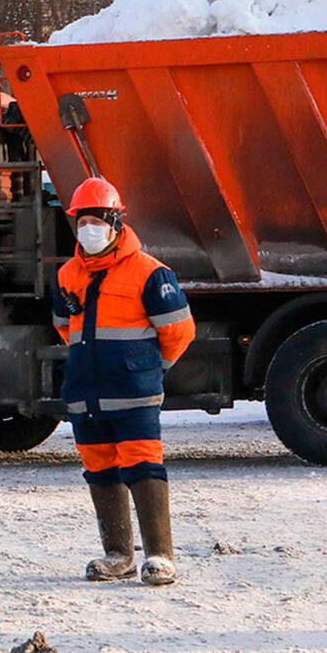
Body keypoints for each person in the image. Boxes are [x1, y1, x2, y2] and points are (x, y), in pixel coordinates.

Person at [53, 177, 195, 586]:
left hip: (134, 396)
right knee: (100, 470)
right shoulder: (66, 275)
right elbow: (64, 327)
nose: (88, 229)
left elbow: (180, 332)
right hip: (87, 395)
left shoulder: (151, 273)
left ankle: (159, 557)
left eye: (97, 220)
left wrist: (148, 370)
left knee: (143, 465)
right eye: (82, 220)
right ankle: (118, 555)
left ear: (116, 222)